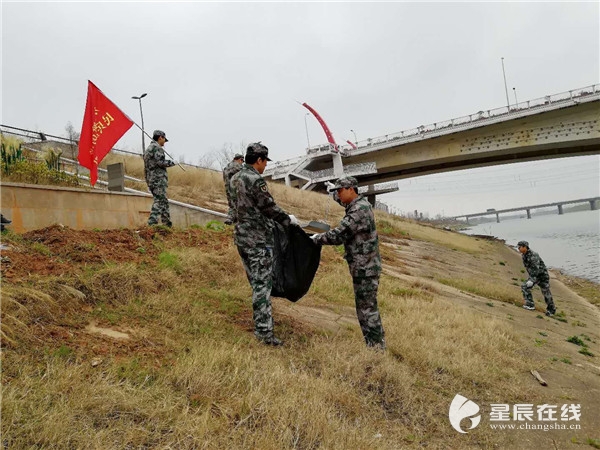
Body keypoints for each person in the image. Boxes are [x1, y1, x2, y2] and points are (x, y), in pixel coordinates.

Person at [229, 142, 298, 346]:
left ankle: (261, 323)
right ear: (259, 160)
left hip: (242, 238)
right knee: (262, 286)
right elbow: (268, 207)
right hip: (258, 240)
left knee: (256, 283)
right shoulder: (254, 180)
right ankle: (264, 333)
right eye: (265, 161)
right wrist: (288, 220)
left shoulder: (234, 178)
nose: (266, 165)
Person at [311, 176, 386, 350]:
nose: (338, 194)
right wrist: (333, 192)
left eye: (340, 190)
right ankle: (374, 344)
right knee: (365, 307)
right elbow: (343, 201)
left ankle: (376, 348)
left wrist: (316, 239)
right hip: (364, 266)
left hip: (365, 268)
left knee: (367, 310)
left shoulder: (358, 211)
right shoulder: (358, 204)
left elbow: (338, 235)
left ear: (351, 189)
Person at [143, 130, 175, 227]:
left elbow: (146, 168)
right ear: (160, 137)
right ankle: (152, 223)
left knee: (163, 201)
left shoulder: (148, 149)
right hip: (158, 180)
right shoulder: (157, 148)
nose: (164, 142)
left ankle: (167, 224)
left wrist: (147, 180)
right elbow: (160, 162)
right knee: (159, 201)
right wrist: (172, 162)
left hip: (151, 179)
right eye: (164, 139)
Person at [517, 240, 557, 317]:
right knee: (525, 287)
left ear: (525, 247)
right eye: (518, 247)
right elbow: (529, 268)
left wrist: (531, 280)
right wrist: (531, 278)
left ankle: (551, 310)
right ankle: (530, 304)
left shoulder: (533, 255)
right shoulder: (524, 255)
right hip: (534, 276)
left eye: (520, 247)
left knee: (545, 293)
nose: (518, 249)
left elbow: (535, 269)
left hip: (542, 276)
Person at [222, 153, 244, 225]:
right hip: (235, 188)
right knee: (237, 204)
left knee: (232, 204)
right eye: (242, 160)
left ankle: (232, 220)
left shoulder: (227, 167)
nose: (242, 162)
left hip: (227, 188)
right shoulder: (237, 165)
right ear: (239, 159)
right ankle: (232, 219)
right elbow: (245, 174)